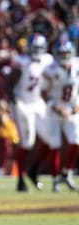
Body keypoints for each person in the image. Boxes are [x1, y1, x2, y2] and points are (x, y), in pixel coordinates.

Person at [5, 32, 54, 191]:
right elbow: (8, 84)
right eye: (34, 48)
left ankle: (33, 169)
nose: (36, 51)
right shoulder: (21, 61)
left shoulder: (48, 60)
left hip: (38, 102)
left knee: (52, 139)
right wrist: (14, 102)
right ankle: (20, 179)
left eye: (39, 48)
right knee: (27, 142)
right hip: (23, 103)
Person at [38, 38, 79, 192]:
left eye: (66, 52)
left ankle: (66, 172)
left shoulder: (77, 66)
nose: (64, 55)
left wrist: (77, 107)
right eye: (61, 53)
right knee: (54, 145)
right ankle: (55, 180)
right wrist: (55, 107)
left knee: (76, 142)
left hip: (72, 109)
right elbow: (43, 92)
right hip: (54, 111)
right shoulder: (49, 70)